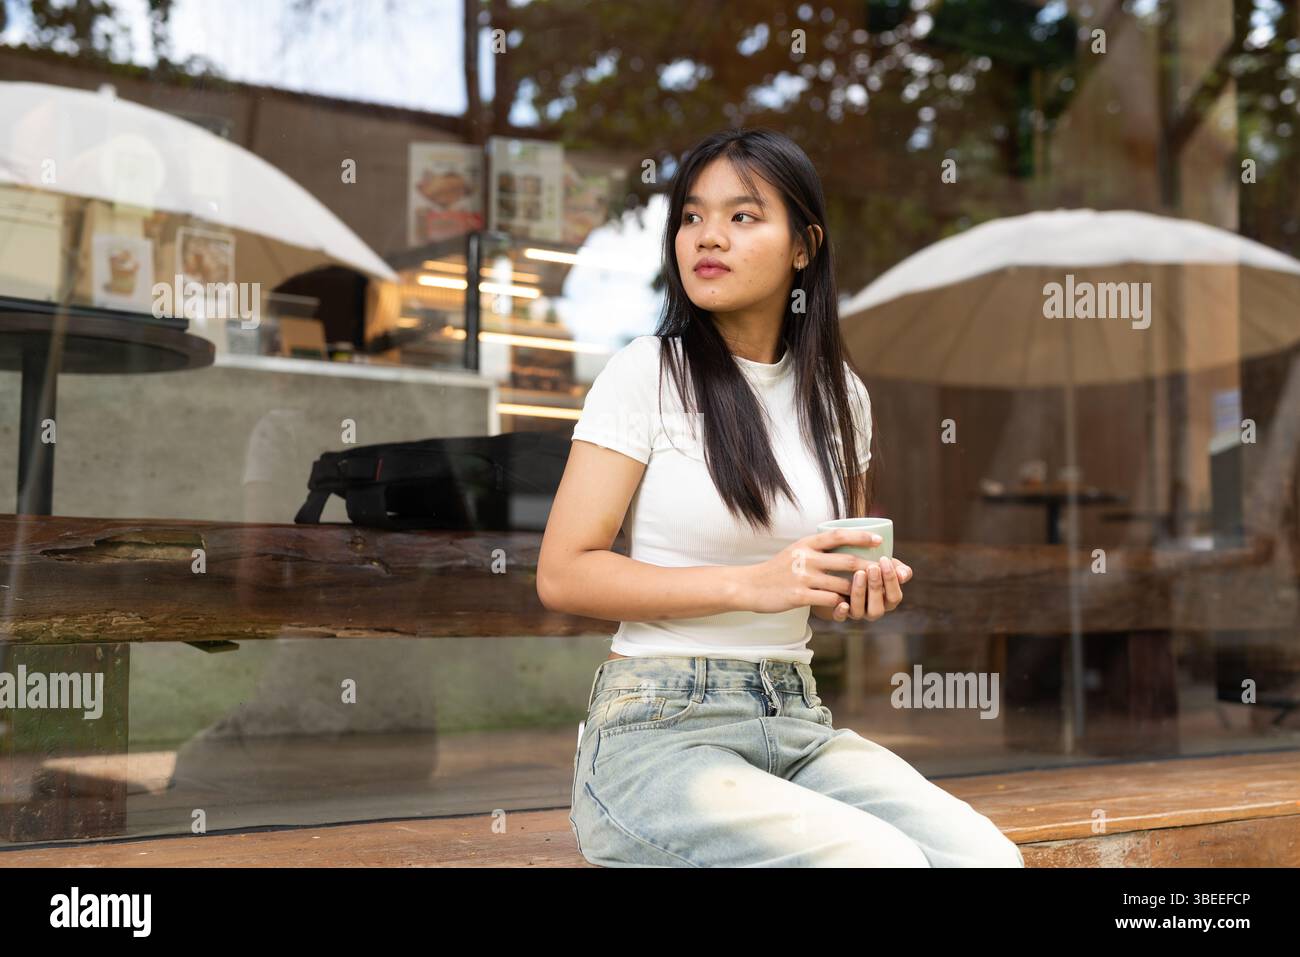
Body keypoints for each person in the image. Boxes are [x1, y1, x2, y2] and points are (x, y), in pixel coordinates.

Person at [537, 127, 1024, 868]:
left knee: (987, 861)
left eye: (743, 216)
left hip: (795, 719)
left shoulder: (840, 396)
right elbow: (563, 572)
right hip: (656, 730)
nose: (709, 237)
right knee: (875, 862)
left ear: (804, 246)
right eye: (692, 216)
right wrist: (752, 584)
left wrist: (855, 591)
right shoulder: (648, 374)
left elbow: (827, 579)